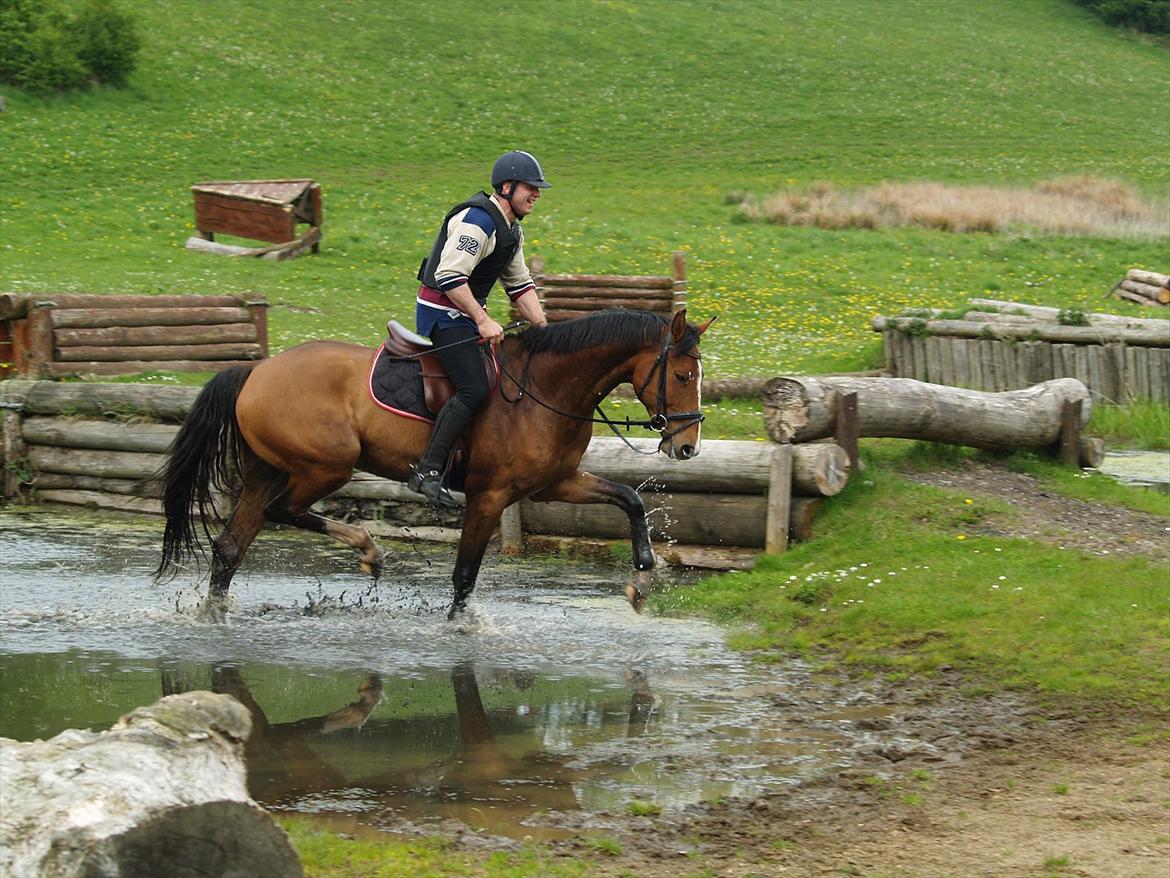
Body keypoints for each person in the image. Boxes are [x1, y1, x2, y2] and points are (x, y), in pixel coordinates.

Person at [408, 150, 552, 507]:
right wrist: (483, 319)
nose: (537, 194)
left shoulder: (512, 231)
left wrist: (544, 329)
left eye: (538, 188)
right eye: (530, 187)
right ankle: (427, 470)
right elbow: (449, 276)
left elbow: (520, 285)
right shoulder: (478, 221)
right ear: (507, 187)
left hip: (465, 313)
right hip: (442, 313)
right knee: (474, 387)